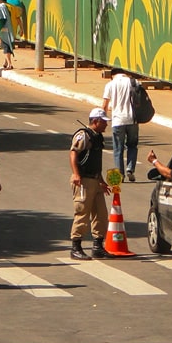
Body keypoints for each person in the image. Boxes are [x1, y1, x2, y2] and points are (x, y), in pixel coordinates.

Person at [68, 109, 113, 261]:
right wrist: (76, 174)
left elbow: (95, 162)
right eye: (104, 121)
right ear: (95, 121)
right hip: (83, 180)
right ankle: (76, 247)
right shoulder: (84, 135)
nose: (106, 124)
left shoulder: (98, 137)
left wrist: (101, 181)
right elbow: (73, 153)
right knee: (82, 213)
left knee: (101, 215)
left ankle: (98, 247)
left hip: (95, 180)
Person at [102, 67, 139, 181]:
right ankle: (130, 169)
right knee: (132, 145)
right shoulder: (134, 82)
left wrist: (103, 120)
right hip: (133, 120)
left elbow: (105, 105)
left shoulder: (110, 84)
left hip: (118, 121)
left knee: (118, 148)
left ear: (112, 75)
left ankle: (120, 174)